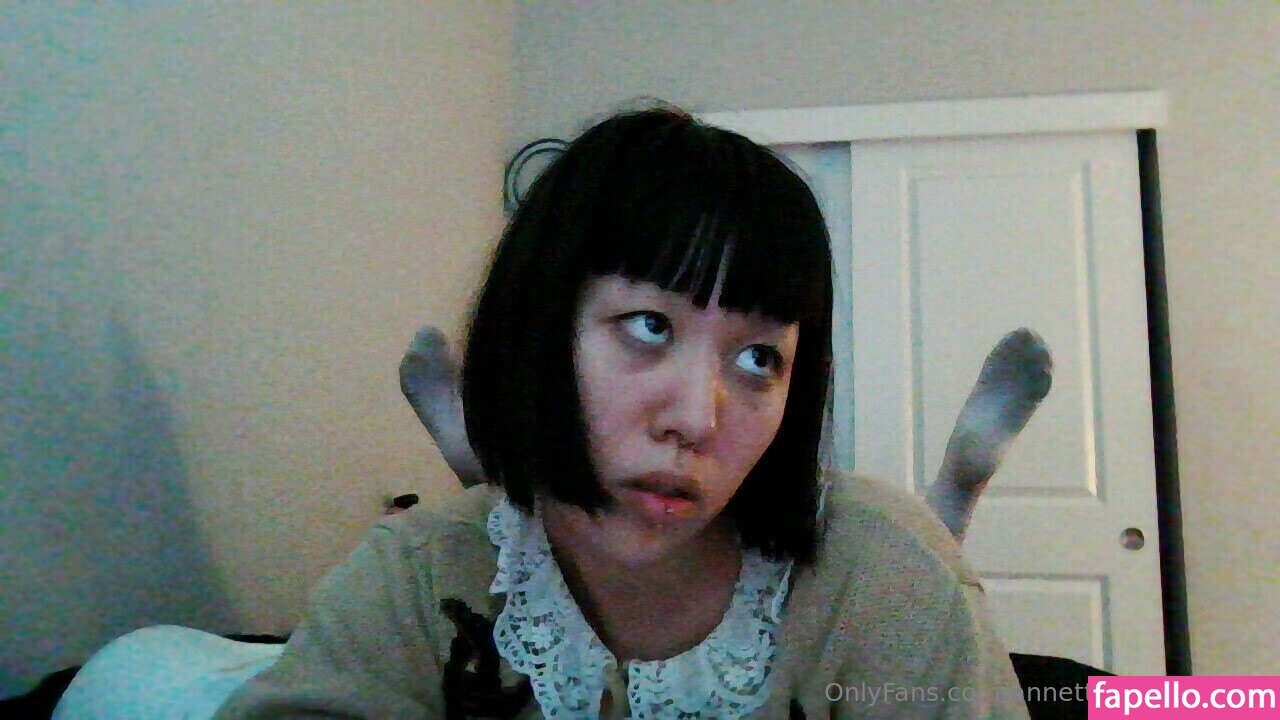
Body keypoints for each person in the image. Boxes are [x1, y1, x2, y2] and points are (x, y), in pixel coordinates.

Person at [212, 106, 1030, 719]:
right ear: (539, 324)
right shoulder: (417, 577)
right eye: (649, 326)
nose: (696, 420)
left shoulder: (887, 577)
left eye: (758, 359)